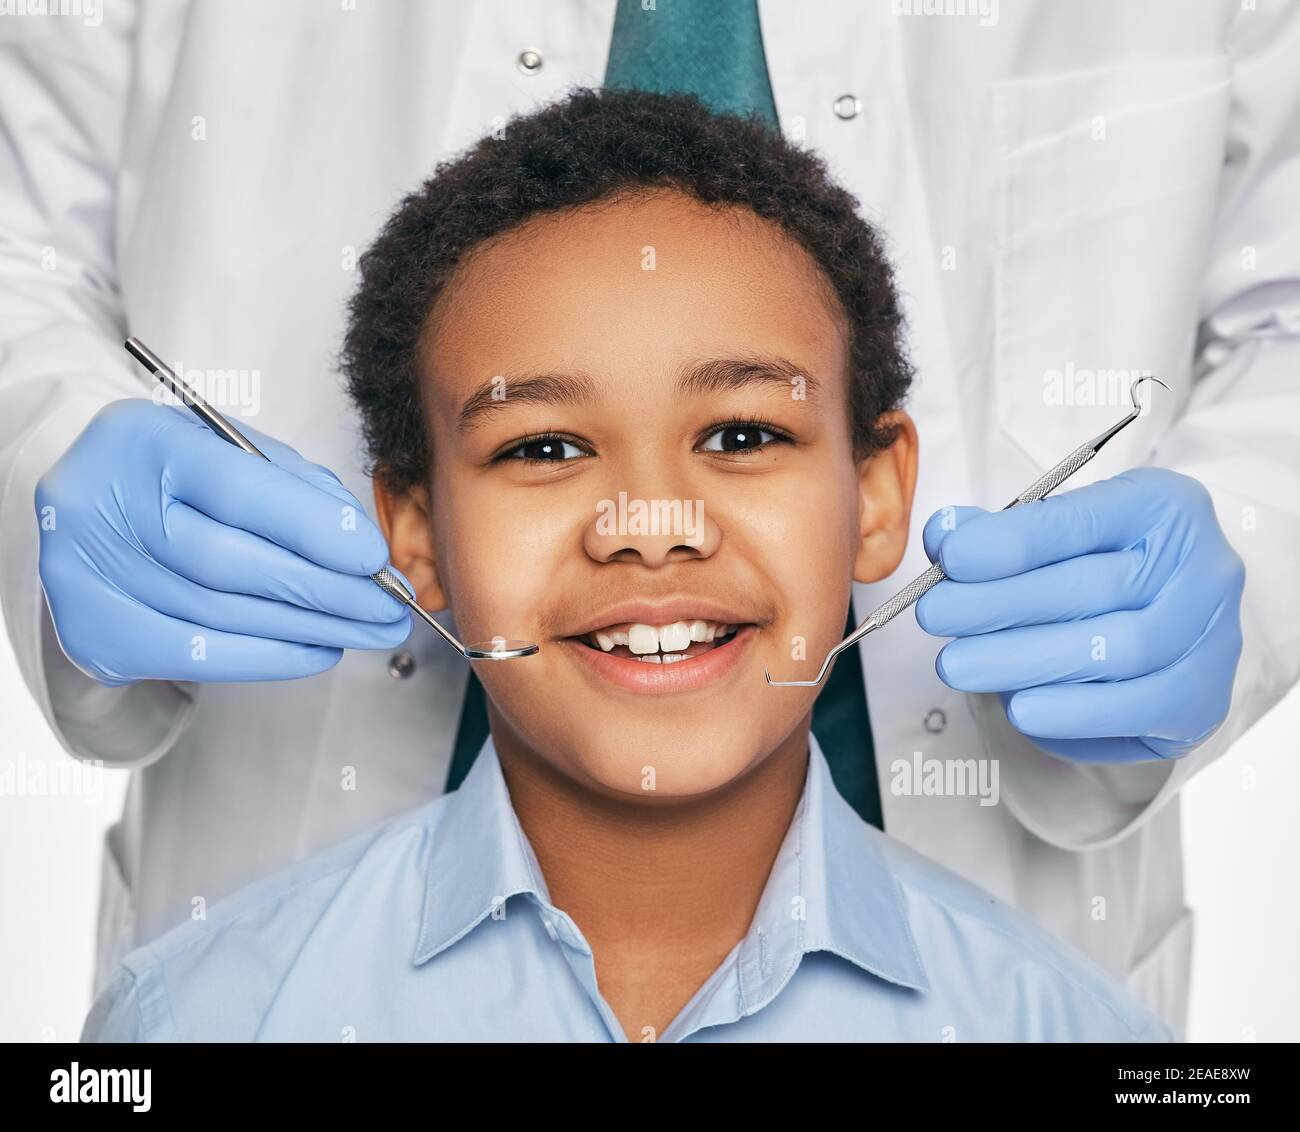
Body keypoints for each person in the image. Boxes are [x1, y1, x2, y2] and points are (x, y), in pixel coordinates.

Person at [2, 2, 1293, 1037]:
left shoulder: (1051, 1018)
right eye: (545, 444)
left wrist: (1249, 547)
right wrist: (43, 446)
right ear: (405, 523)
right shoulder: (203, 1009)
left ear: (883, 497)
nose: (649, 524)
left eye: (742, 435)